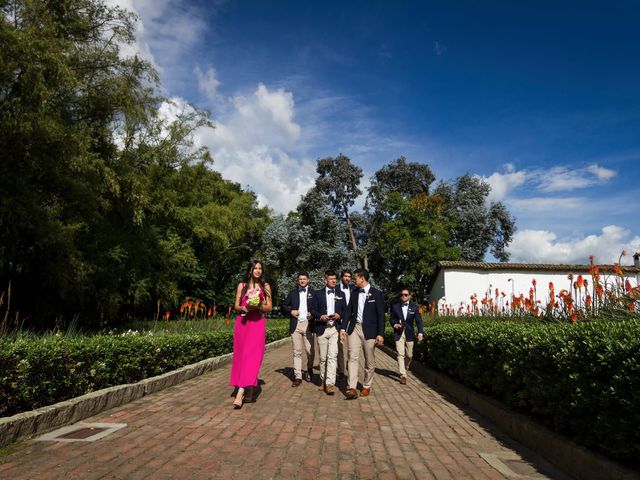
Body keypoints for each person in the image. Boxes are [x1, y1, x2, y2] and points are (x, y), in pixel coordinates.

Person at [230, 260, 272, 409]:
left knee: (253, 357)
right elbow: (236, 305)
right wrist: (245, 307)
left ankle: (240, 392)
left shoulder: (265, 286)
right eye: (255, 268)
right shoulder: (242, 286)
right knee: (242, 357)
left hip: (257, 323)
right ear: (250, 270)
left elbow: (269, 306)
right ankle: (249, 388)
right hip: (242, 324)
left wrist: (258, 305)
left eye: (260, 268)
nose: (258, 271)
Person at [339, 268, 385, 399]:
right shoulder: (354, 292)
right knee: (352, 356)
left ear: (362, 278)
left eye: (355, 278)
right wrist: (343, 329)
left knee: (369, 359)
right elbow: (348, 311)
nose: (354, 280)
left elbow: (381, 315)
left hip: (370, 331)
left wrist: (380, 333)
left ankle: (366, 385)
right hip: (355, 328)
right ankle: (352, 387)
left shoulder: (376, 294)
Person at [310, 270, 349, 395]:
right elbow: (312, 309)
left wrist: (340, 315)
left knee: (332, 356)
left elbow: (346, 311)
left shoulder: (341, 294)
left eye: (335, 279)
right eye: (331, 279)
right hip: (322, 328)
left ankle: (330, 383)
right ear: (325, 280)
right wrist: (320, 316)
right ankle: (322, 379)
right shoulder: (318, 294)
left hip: (334, 329)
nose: (333, 281)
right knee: (322, 358)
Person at [282, 271, 315, 386]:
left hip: (308, 325)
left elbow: (318, 308)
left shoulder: (313, 293)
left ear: (308, 280)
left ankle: (309, 369)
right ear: (298, 280)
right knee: (297, 352)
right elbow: (284, 306)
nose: (302, 281)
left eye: (304, 279)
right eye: (300, 279)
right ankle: (298, 376)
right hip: (295, 325)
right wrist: (291, 311)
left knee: (310, 351)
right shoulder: (293, 293)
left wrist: (313, 314)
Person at [390, 288, 424, 385]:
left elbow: (419, 321)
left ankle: (405, 367)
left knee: (409, 355)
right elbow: (392, 319)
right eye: (402, 295)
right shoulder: (395, 306)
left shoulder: (414, 307)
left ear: (409, 296)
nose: (403, 296)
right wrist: (395, 324)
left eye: (405, 295)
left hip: (409, 333)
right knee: (400, 354)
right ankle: (403, 375)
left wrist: (420, 333)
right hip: (399, 333)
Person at [337, 269, 354, 379]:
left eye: (349, 277)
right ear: (341, 277)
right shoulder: (336, 289)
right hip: (340, 322)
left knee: (351, 348)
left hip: (352, 322)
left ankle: (350, 366)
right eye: (345, 276)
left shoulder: (354, 289)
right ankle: (341, 371)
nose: (347, 278)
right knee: (340, 348)